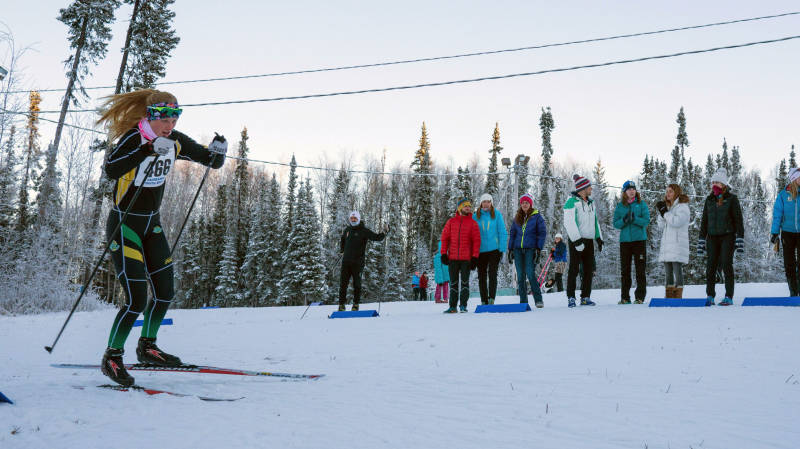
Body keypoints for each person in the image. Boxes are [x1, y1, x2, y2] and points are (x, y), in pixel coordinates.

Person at [96, 89, 227, 386]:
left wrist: (218, 150)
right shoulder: (134, 137)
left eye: (175, 117)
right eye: (163, 118)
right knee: (136, 300)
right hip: (124, 225)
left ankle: (148, 348)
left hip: (151, 226)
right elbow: (111, 169)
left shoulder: (175, 141)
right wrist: (148, 149)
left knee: (165, 291)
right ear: (149, 116)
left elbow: (211, 161)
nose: (169, 125)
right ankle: (112, 357)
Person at [698, 168, 744, 306]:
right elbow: (704, 221)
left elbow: (738, 220)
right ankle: (710, 295)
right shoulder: (709, 200)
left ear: (723, 184)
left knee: (726, 264)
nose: (714, 184)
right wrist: (701, 240)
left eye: (717, 182)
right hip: (712, 237)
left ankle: (728, 296)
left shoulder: (732, 199)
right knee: (710, 266)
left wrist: (739, 238)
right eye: (713, 182)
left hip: (727, 236)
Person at [563, 174, 603, 307]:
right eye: (589, 187)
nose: (591, 189)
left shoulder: (591, 203)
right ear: (583, 188)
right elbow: (569, 222)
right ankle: (571, 297)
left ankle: (585, 296)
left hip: (589, 240)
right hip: (576, 240)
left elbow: (595, 221)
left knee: (588, 270)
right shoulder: (571, 202)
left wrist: (599, 238)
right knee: (574, 269)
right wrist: (577, 240)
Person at [339, 210, 386, 311]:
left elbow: (376, 238)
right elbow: (342, 239)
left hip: (358, 262)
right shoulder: (347, 230)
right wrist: (342, 250)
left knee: (357, 284)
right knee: (343, 284)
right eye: (351, 218)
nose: (353, 220)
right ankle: (341, 305)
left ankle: (355, 305)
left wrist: (384, 232)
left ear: (359, 219)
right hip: (346, 262)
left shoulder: (363, 230)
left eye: (355, 218)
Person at [612, 181, 650, 304]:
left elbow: (646, 221)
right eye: (628, 189)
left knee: (640, 269)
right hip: (625, 242)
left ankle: (639, 297)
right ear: (624, 192)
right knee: (625, 270)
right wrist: (624, 220)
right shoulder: (620, 206)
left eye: (633, 189)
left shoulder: (641, 204)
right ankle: (625, 297)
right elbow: (615, 223)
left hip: (639, 241)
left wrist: (634, 219)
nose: (631, 191)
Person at [440, 198, 481, 313]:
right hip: (452, 258)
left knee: (464, 282)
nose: (468, 208)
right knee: (453, 283)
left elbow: (476, 241)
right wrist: (443, 253)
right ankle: (452, 306)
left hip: (466, 259)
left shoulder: (473, 223)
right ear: (459, 208)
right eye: (465, 206)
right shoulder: (451, 222)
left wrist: (475, 257)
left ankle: (463, 305)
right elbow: (445, 239)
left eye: (469, 206)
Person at [507, 193, 546, 307]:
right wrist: (510, 249)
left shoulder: (536, 216)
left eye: (526, 202)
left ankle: (538, 299)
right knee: (520, 276)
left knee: (530, 273)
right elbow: (513, 233)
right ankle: (523, 301)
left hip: (530, 249)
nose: (524, 204)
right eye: (523, 203)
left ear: (530, 204)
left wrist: (538, 249)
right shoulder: (517, 217)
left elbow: (542, 233)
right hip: (518, 249)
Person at [656, 184, 690, 299]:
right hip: (667, 244)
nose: (668, 194)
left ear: (676, 192)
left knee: (677, 269)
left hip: (677, 243)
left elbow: (676, 222)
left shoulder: (682, 207)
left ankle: (678, 295)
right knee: (668, 271)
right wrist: (662, 213)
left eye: (670, 191)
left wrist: (665, 213)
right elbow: (660, 226)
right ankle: (669, 295)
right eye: (667, 191)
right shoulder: (668, 207)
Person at [473, 193, 508, 305]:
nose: (486, 204)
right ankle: (484, 300)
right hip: (480, 251)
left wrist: (502, 249)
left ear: (491, 203)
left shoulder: (497, 215)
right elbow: (471, 234)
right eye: (484, 201)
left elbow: (502, 232)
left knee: (492, 274)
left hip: (494, 250)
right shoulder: (475, 216)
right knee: (481, 276)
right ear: (481, 204)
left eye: (488, 201)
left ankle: (491, 298)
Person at [771, 167, 800, 296]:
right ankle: (793, 292)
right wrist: (775, 232)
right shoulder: (783, 195)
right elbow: (778, 214)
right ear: (794, 179)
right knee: (789, 263)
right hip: (787, 233)